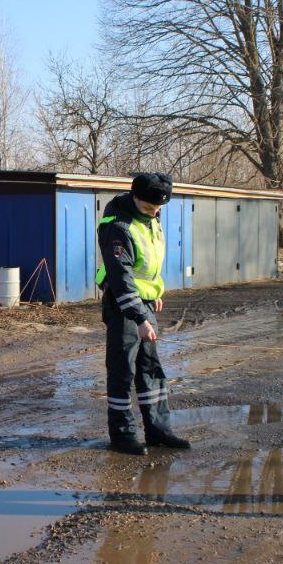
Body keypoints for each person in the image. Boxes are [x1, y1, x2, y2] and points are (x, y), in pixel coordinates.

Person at [95, 172, 192, 455]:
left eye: (159, 208)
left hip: (145, 301)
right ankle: (123, 435)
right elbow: (121, 275)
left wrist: (155, 292)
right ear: (134, 197)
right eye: (149, 207)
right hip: (123, 304)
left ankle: (159, 431)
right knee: (123, 369)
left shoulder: (150, 216)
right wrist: (139, 317)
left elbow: (148, 263)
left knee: (151, 369)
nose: (155, 212)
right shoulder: (118, 226)